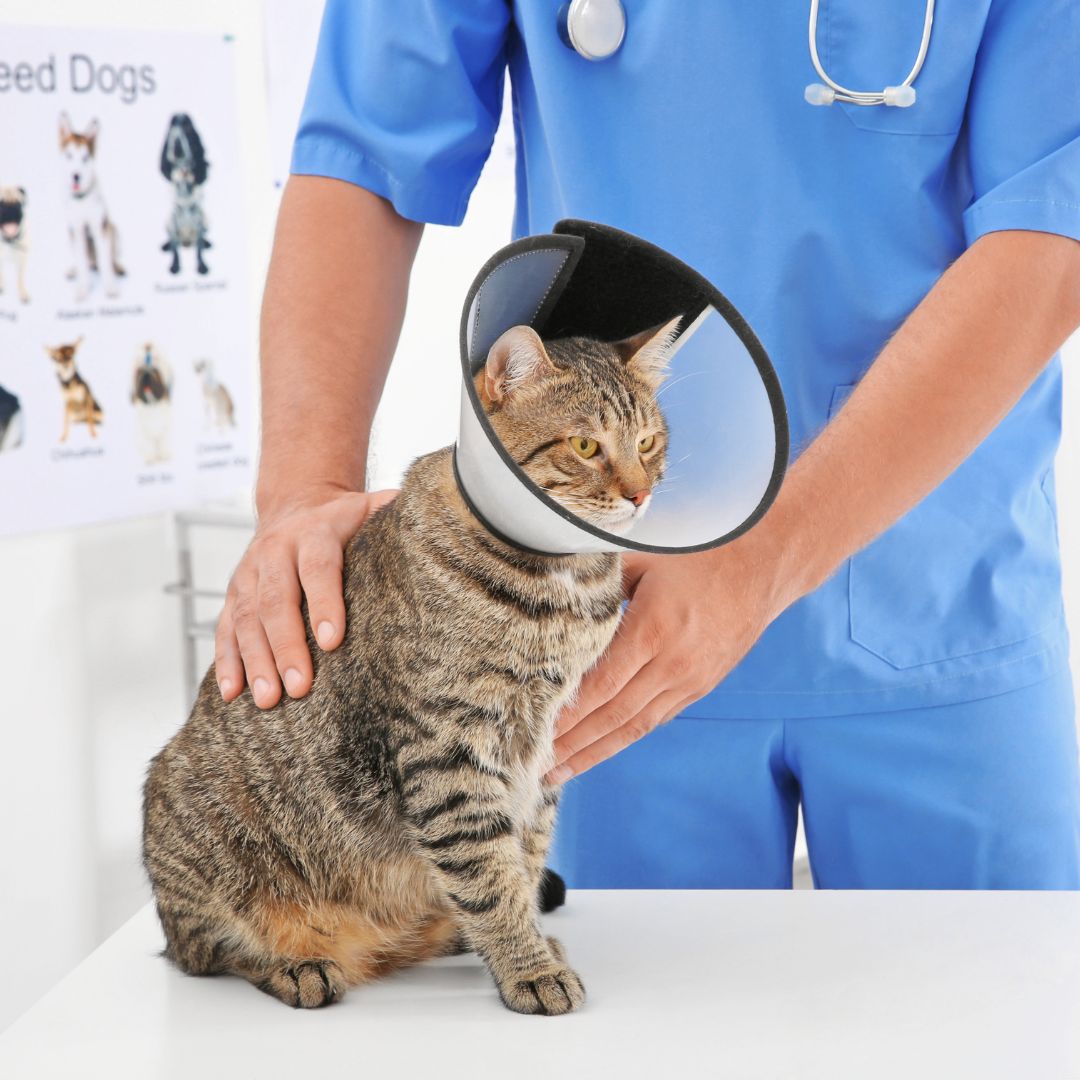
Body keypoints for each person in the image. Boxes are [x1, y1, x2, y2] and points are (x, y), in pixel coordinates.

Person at [216, 1, 1080, 889]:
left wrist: (762, 558)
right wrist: (304, 490)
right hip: (589, 634)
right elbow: (363, 154)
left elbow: (1054, 221)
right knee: (595, 1013)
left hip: (942, 600)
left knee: (984, 1012)